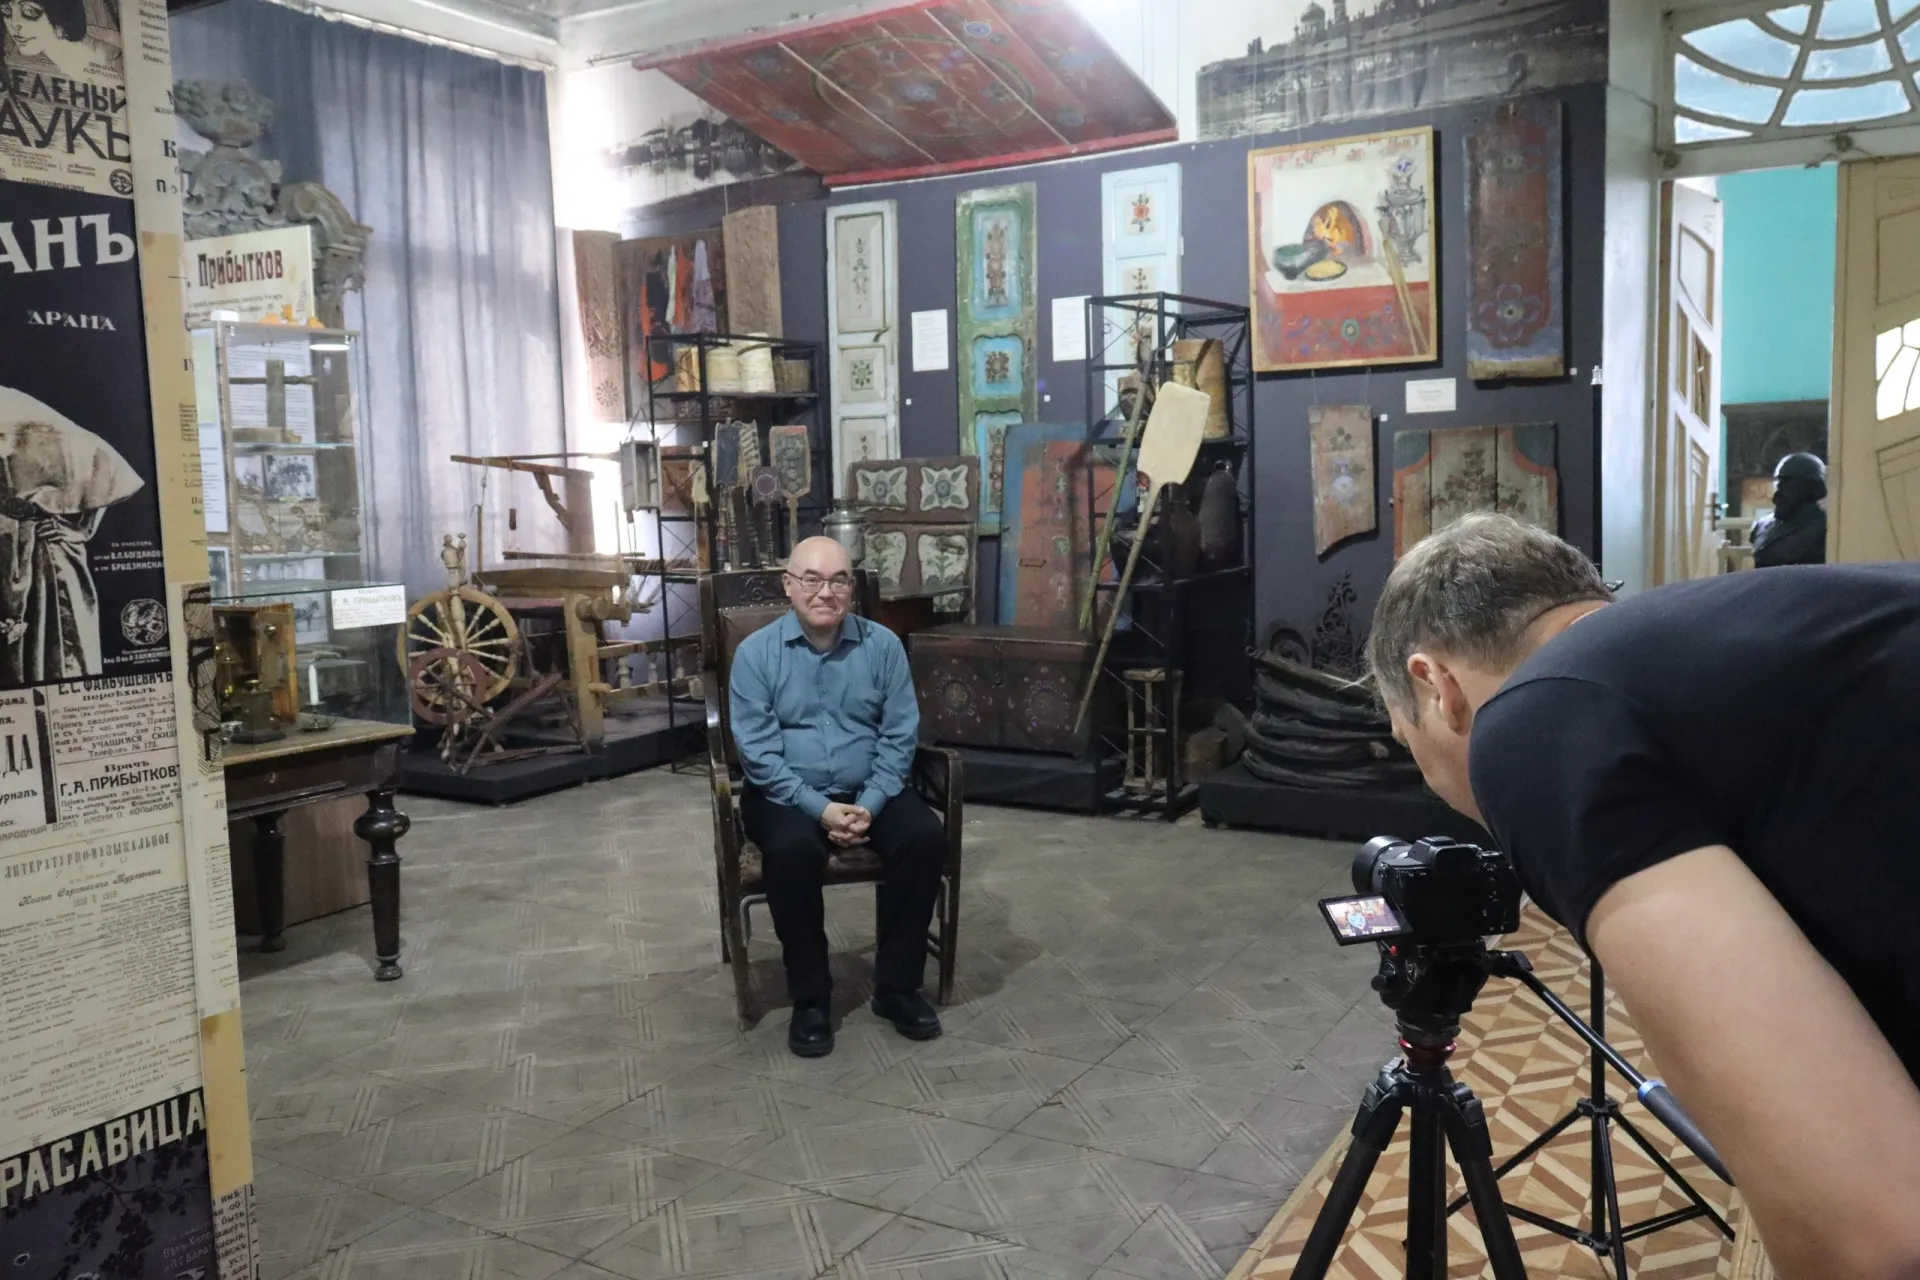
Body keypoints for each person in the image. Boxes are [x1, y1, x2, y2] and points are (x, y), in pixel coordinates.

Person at [1367, 513, 1920, 1280]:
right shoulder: (1758, 637)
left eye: (1409, 743)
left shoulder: (1532, 720)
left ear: (1437, 687)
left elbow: (1875, 1235)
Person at [727, 535, 948, 1058]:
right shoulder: (755, 655)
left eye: (838, 580)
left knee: (922, 837)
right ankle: (810, 997)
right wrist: (820, 809)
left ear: (852, 587)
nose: (825, 592)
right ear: (788, 586)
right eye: (812, 579)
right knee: (791, 851)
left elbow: (899, 737)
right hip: (784, 793)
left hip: (872, 786)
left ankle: (897, 988)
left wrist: (870, 804)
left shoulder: (883, 646)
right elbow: (758, 755)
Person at [1749, 452, 1828, 568]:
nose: (1778, 493)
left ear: (1812, 487)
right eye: (1778, 483)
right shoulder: (1762, 525)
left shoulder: (1823, 528)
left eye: (1788, 483)